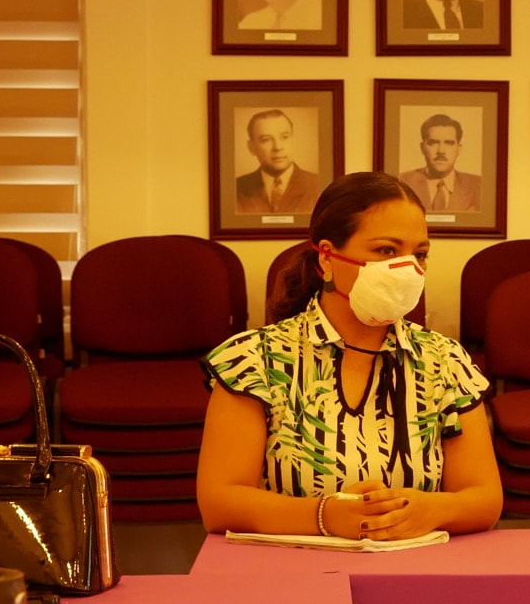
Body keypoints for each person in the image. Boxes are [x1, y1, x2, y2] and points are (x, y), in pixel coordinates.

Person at [198, 171, 502, 541]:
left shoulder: (444, 360)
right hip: (291, 568)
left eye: (420, 254)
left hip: (414, 564)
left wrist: (429, 510)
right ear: (327, 258)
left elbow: (485, 497)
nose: (408, 269)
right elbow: (219, 503)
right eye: (386, 250)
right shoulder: (255, 359)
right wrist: (324, 516)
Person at [235, 109, 321, 214]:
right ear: (251, 147)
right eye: (266, 139)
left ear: (294, 140)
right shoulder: (236, 189)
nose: (278, 147)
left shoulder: (317, 185)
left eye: (284, 137)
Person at [398, 114, 482, 213]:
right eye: (433, 143)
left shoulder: (478, 185)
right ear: (422, 148)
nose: (441, 151)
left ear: (459, 149)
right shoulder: (401, 183)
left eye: (449, 143)